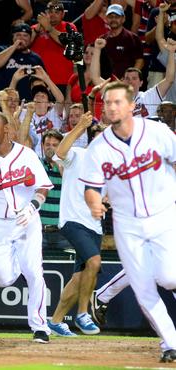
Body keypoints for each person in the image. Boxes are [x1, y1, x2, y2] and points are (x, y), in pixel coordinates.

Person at [81, 81, 176, 363]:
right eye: (107, 102)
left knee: (169, 277)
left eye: (117, 102)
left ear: (132, 105)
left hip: (164, 214)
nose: (111, 107)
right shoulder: (99, 147)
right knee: (143, 288)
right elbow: (91, 187)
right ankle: (170, 342)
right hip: (126, 223)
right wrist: (94, 202)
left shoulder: (157, 132)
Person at [0, 110, 53, 344]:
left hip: (27, 220)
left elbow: (43, 186)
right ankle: (15, 263)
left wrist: (33, 206)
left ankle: (40, 326)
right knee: (1, 278)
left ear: (6, 129)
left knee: (34, 272)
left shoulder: (26, 154)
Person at [46, 112, 107, 337]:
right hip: (72, 221)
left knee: (80, 275)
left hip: (95, 226)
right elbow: (59, 153)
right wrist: (80, 126)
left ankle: (55, 321)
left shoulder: (109, 169)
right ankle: (83, 313)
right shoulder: (79, 155)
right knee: (94, 261)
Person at [0, 23, 45, 101]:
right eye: (18, 35)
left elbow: (42, 83)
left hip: (25, 103)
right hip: (1, 101)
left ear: (30, 38)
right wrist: (14, 46)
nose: (21, 38)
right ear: (13, 37)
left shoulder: (35, 59)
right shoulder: (2, 49)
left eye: (25, 35)